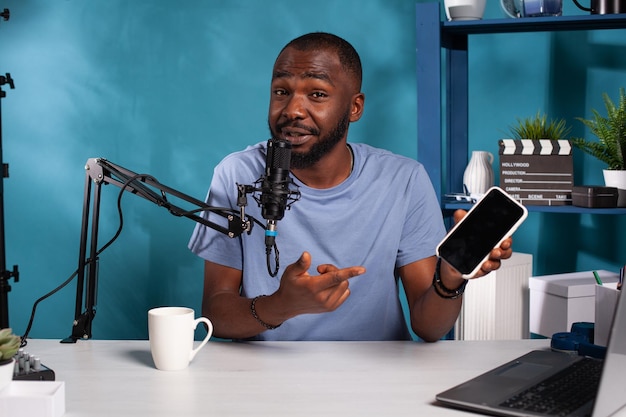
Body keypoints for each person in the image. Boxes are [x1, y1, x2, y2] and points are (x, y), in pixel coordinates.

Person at [188, 32, 513, 342]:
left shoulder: (403, 180)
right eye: (281, 91)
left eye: (316, 94)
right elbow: (216, 312)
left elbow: (429, 328)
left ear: (354, 107)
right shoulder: (237, 173)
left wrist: (450, 280)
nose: (292, 111)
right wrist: (282, 305)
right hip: (266, 376)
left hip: (375, 376)